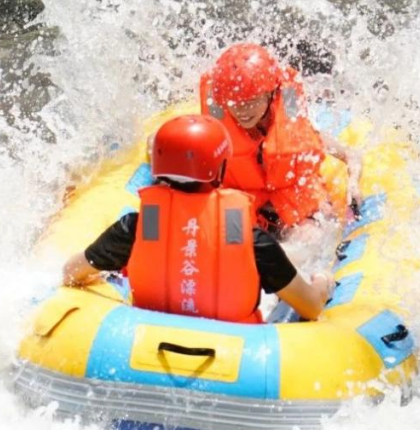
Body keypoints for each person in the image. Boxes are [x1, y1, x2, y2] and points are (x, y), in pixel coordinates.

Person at [62, 114, 335, 322]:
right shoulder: (251, 239)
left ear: (157, 169)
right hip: (237, 358)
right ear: (220, 169)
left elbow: (71, 273)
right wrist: (323, 282)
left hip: (147, 344)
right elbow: (310, 307)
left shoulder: (135, 226)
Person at [199, 43, 360, 232]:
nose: (241, 111)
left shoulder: (296, 128)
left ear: (271, 94)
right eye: (233, 103)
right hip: (243, 210)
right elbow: (160, 144)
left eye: (251, 102)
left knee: (310, 235)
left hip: (296, 209)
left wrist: (354, 182)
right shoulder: (213, 131)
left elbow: (351, 155)